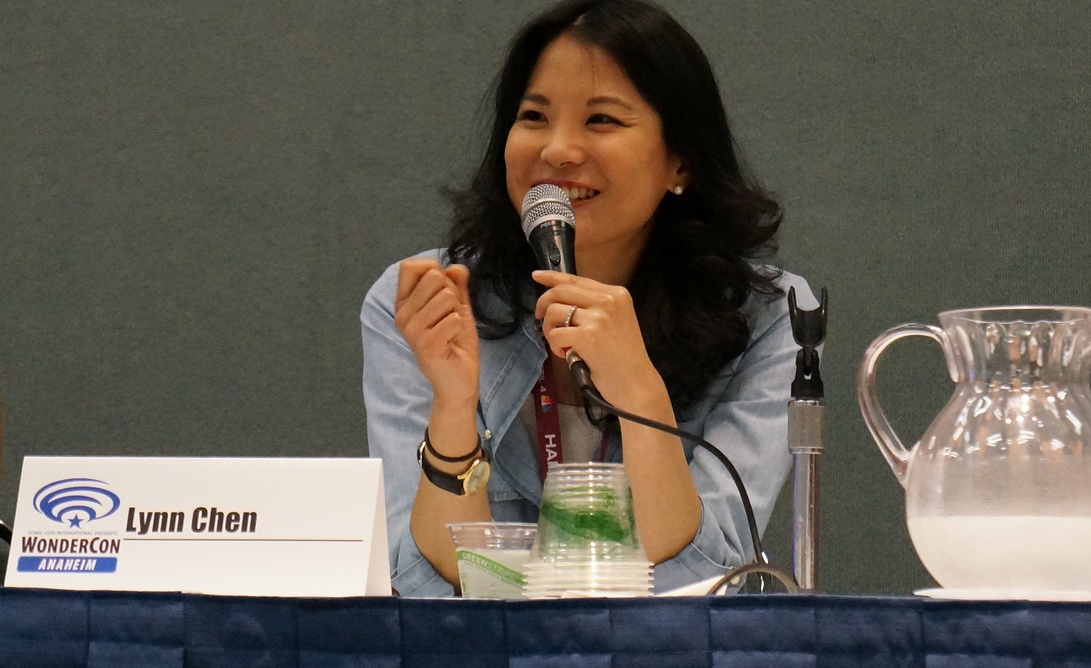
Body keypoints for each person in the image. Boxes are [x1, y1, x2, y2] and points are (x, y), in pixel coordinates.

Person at [361, 0, 817, 597]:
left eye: (601, 120)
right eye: (534, 117)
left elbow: (707, 575)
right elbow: (423, 582)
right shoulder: (432, 299)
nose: (558, 150)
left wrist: (637, 386)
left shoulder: (767, 316)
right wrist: (452, 411)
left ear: (681, 160)